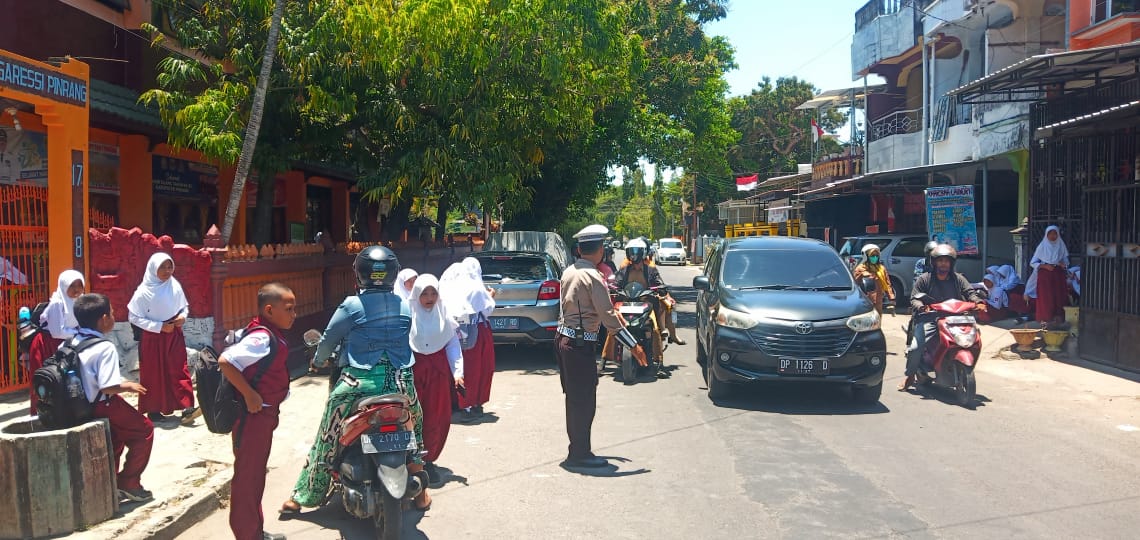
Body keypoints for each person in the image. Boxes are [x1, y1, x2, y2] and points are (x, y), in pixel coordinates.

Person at [281, 246, 431, 514]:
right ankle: (422, 496)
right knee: (414, 428)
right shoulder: (404, 305)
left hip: (358, 383)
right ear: (393, 274)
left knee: (327, 434)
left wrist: (317, 361)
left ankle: (304, 495)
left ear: (359, 274)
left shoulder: (352, 305)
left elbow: (327, 340)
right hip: (400, 383)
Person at [557, 224, 647, 468]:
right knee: (584, 401)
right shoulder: (593, 276)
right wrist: (634, 345)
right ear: (601, 251)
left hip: (565, 340)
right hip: (579, 345)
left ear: (578, 249)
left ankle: (578, 449)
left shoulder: (569, 272)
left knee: (575, 399)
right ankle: (579, 454)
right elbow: (609, 318)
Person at [218, 283, 296, 540]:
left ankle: (255, 531)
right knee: (247, 480)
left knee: (255, 477)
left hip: (263, 417)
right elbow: (226, 361)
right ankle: (248, 535)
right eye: (289, 309)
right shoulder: (262, 337)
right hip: (253, 417)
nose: (293, 314)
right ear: (270, 310)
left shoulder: (270, 332)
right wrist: (250, 394)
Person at [72, 293, 154, 503]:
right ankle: (129, 482)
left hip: (80, 404)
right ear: (103, 319)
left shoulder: (71, 341)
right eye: (111, 312)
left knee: (116, 438)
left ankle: (109, 484)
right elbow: (108, 387)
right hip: (103, 403)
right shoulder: (104, 347)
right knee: (144, 430)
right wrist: (129, 385)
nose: (114, 315)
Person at [900, 244, 987, 391]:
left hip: (955, 318)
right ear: (934, 262)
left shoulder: (959, 279)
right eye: (940, 261)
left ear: (951, 263)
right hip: (930, 318)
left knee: (973, 339)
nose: (943, 264)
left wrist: (978, 302)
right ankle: (910, 375)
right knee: (916, 347)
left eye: (946, 261)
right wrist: (922, 306)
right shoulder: (924, 279)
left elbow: (970, 292)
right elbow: (915, 298)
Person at [128, 253, 198, 425]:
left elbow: (184, 306)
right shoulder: (142, 292)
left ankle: (187, 407)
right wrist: (159, 327)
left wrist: (183, 317)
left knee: (179, 368)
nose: (167, 271)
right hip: (152, 338)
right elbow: (134, 317)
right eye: (162, 267)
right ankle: (153, 410)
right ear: (153, 269)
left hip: (173, 333)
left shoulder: (174, 285)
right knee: (153, 372)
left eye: (169, 266)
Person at [408, 274, 464, 488]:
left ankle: (428, 460)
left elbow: (452, 346)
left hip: (438, 376)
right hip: (414, 374)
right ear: (416, 295)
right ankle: (410, 460)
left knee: (437, 417)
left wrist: (458, 373)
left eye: (433, 293)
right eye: (424, 293)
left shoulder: (444, 316)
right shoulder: (407, 316)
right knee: (414, 417)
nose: (429, 297)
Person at [439, 257, 496, 423]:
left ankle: (459, 403)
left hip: (451, 334)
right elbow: (487, 310)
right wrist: (491, 296)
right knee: (477, 370)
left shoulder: (448, 285)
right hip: (475, 335)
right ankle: (471, 405)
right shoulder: (476, 289)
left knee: (457, 368)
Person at [28, 270, 85, 414]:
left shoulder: (80, 301)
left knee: (65, 381)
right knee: (46, 380)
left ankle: (61, 414)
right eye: (72, 286)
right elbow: (56, 331)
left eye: (80, 285)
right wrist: (78, 333)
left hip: (66, 345)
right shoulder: (57, 304)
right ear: (64, 286)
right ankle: (41, 415)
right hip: (47, 345)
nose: (76, 290)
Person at [614, 238, 683, 347]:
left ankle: (668, 334)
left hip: (646, 302)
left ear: (643, 252)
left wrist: (664, 292)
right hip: (626, 302)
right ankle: (606, 356)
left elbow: (659, 282)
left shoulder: (650, 269)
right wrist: (612, 288)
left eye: (636, 251)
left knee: (668, 308)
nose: (634, 255)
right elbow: (616, 282)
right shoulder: (624, 268)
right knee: (612, 327)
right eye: (631, 251)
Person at [1026, 225, 1069, 324]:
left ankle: (1058, 317)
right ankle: (1045, 318)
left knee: (1059, 296)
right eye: (1050, 234)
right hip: (1045, 275)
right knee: (1046, 297)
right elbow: (1033, 262)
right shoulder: (1042, 247)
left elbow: (1066, 261)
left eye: (1055, 234)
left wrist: (1063, 264)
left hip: (1058, 275)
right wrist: (1045, 266)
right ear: (1046, 235)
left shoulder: (1061, 245)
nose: (1053, 236)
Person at [852, 244, 895, 313]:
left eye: (876, 256)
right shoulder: (860, 269)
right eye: (872, 256)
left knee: (877, 320)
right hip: (866, 301)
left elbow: (887, 284)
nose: (875, 257)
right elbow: (855, 284)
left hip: (878, 301)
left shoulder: (881, 268)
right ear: (866, 256)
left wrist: (891, 298)